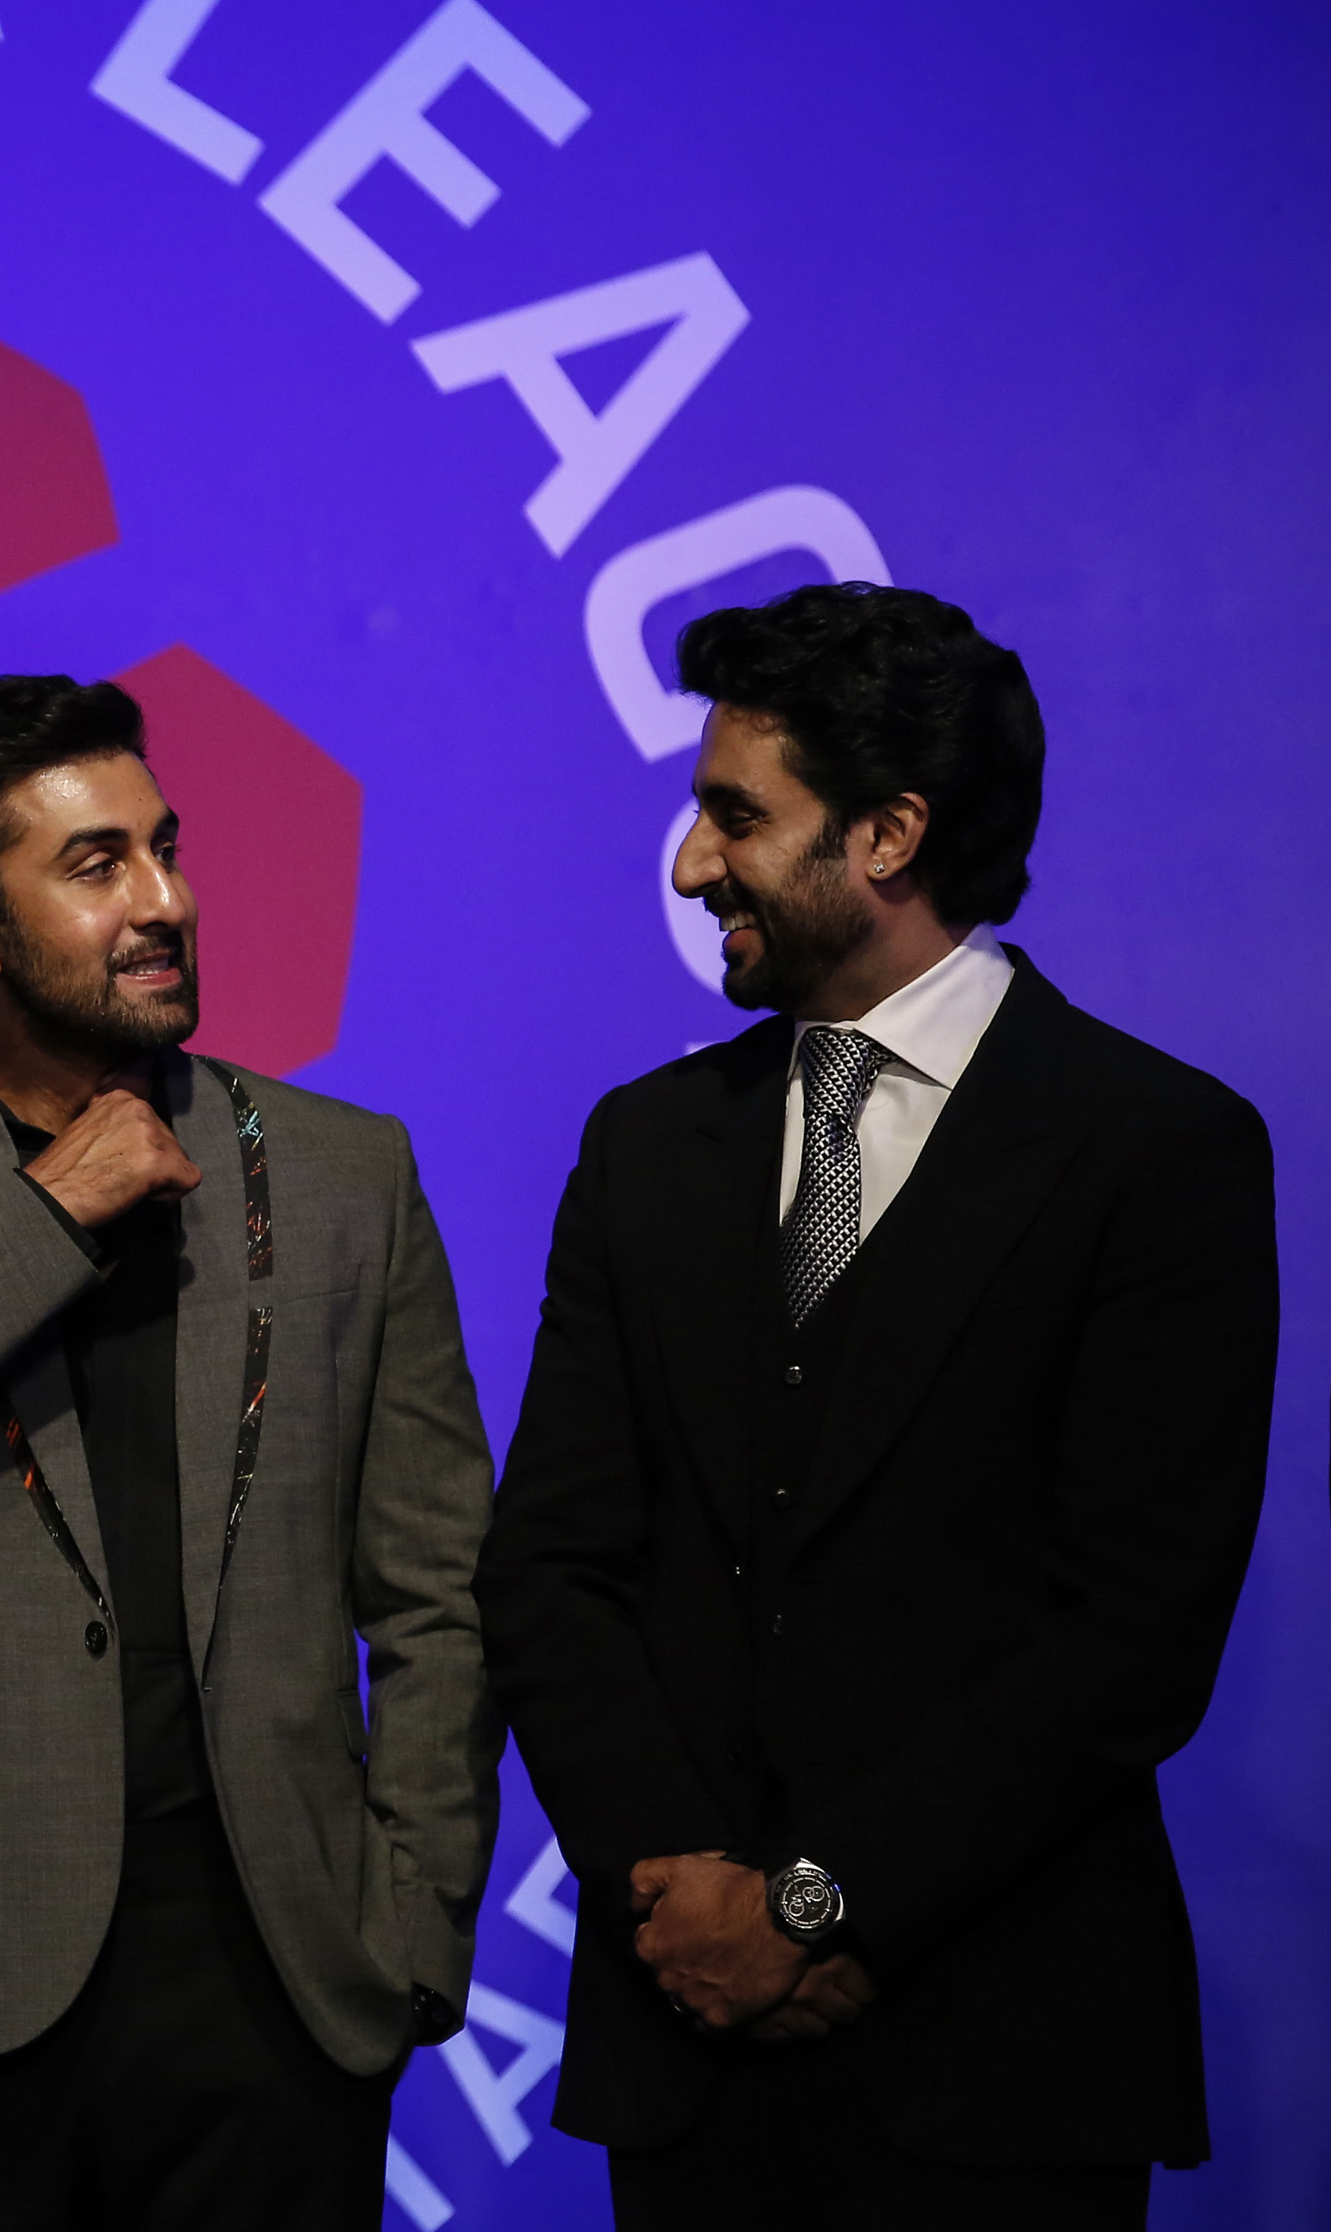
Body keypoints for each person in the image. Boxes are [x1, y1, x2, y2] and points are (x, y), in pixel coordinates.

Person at [477, 584, 1277, 2229]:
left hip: (1004, 2057)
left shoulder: (1156, 1151)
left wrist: (820, 1908)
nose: (695, 866)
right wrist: (680, 1902)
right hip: (688, 2053)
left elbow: (1132, 1630)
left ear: (891, 832)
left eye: (734, 816)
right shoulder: (642, 1145)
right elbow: (550, 1567)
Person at [0, 675, 498, 2230]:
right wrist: (46, 1214)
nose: (166, 901)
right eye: (98, 864)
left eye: (164, 848)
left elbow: (439, 1592)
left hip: (277, 1988)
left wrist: (411, 1924)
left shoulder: (344, 1172)